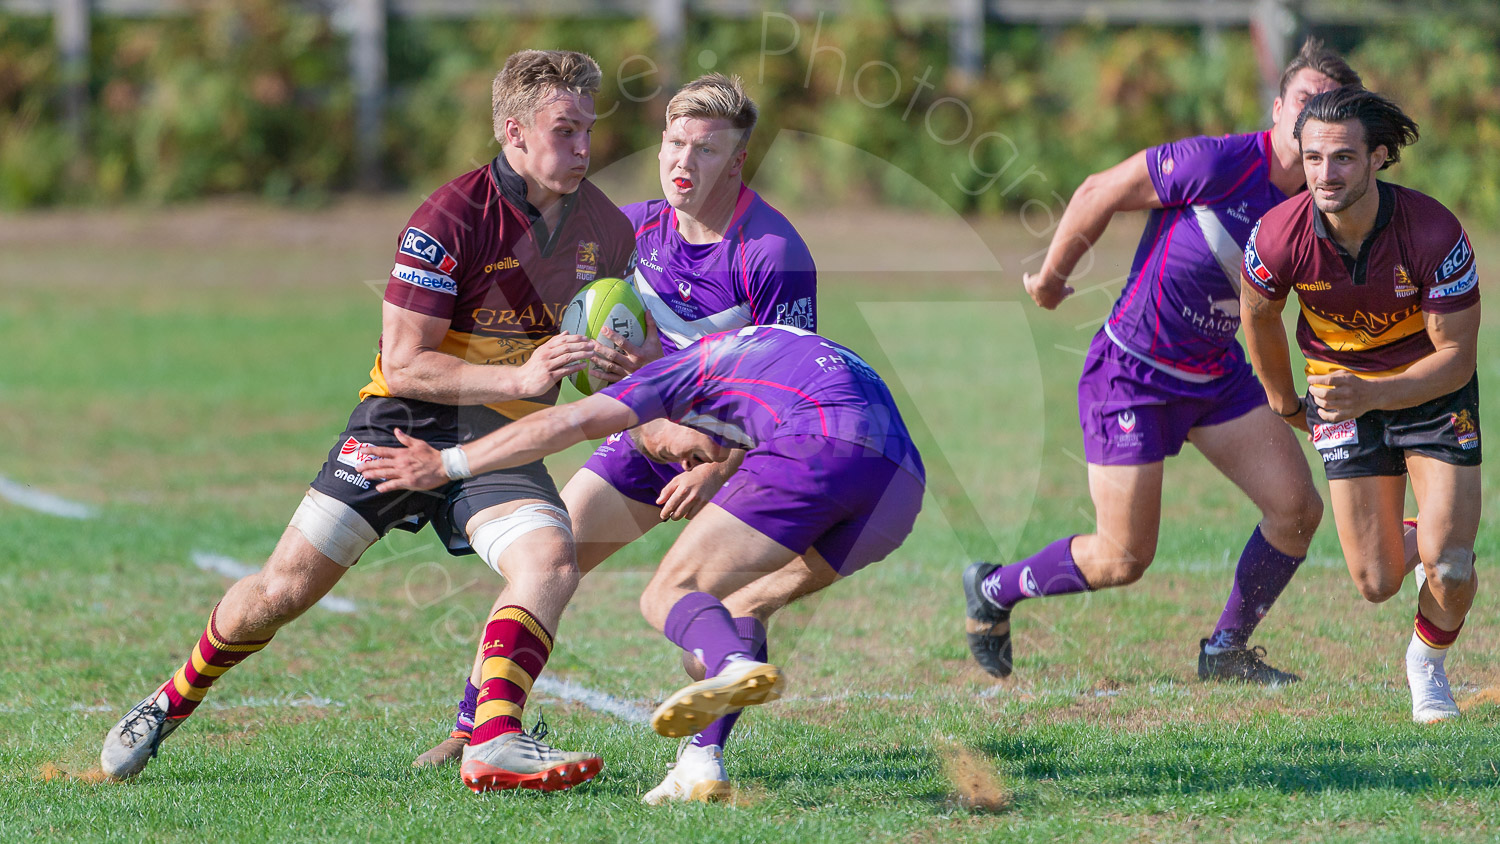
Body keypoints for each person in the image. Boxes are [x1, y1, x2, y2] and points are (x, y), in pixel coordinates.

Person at [99, 50, 635, 793]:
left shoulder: (607, 228)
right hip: (402, 426)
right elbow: (407, 361)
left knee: (550, 559)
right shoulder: (449, 217)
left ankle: (495, 739)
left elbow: (590, 347)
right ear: (513, 132)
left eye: (589, 131)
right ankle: (167, 703)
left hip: (499, 442)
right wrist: (522, 373)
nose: (583, 149)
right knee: (281, 592)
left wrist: (607, 364)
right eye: (565, 130)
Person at [413, 74, 818, 806]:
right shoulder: (626, 232)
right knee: (549, 558)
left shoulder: (772, 254)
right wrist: (580, 353)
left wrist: (719, 467)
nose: (683, 161)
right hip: (650, 442)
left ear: (739, 159)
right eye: (673, 143)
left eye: (706, 147)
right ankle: (477, 725)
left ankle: (705, 761)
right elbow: (554, 307)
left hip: (749, 457)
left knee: (732, 599)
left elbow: (789, 389)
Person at [359, 324, 924, 796]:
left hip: (821, 445)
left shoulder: (676, 374)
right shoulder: (769, 351)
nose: (690, 460)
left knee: (665, 595)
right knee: (744, 600)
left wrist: (449, 464)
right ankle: (701, 764)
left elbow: (560, 425)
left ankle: (730, 665)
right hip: (901, 487)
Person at [964, 40, 1360, 684]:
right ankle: (995, 588)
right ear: (1279, 105)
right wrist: (1050, 277)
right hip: (1133, 375)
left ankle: (1226, 650)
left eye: (1329, 106)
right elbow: (1102, 189)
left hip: (1216, 373)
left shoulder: (1322, 205)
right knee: (1123, 557)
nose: (1312, 113)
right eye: (1305, 98)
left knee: (1295, 510)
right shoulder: (1219, 161)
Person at [1240, 86, 1480, 723]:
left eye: (1343, 158)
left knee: (1451, 569)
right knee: (1377, 584)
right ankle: (1422, 537)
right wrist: (1282, 397)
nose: (1325, 173)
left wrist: (1372, 392)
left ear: (1378, 158)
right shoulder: (1277, 236)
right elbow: (1259, 315)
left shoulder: (1433, 231)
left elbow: (1456, 358)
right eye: (1313, 158)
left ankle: (1426, 668)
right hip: (1338, 392)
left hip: (1431, 391)